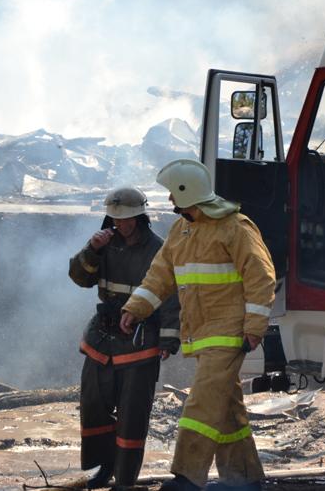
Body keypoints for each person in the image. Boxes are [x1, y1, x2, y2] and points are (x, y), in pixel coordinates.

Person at [120, 159, 276, 491]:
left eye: (172, 193)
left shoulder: (236, 228)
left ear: (186, 192)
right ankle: (244, 479)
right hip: (203, 334)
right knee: (227, 407)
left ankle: (187, 477)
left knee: (202, 403)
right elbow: (160, 275)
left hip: (229, 333)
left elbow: (261, 277)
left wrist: (254, 326)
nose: (169, 199)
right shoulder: (182, 230)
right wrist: (136, 307)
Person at [69, 186, 181, 489]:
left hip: (139, 342)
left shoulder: (157, 249)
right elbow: (80, 278)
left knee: (132, 415)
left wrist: (168, 339)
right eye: (116, 219)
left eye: (127, 218)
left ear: (140, 216)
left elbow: (170, 295)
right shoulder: (104, 243)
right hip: (102, 339)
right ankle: (105, 467)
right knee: (94, 405)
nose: (121, 224)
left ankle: (125, 479)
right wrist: (92, 249)